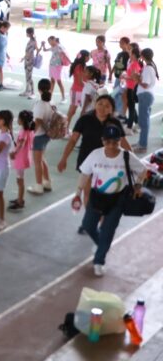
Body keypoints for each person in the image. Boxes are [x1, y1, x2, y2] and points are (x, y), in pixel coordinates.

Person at [73, 124, 146, 277]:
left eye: (115, 142)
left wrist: (138, 186)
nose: (111, 145)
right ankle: (101, 244)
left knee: (108, 230)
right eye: (108, 142)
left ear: (120, 141)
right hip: (96, 197)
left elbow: (143, 170)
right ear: (102, 140)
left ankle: (99, 261)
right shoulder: (95, 155)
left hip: (117, 199)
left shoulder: (126, 156)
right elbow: (84, 174)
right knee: (88, 225)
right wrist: (78, 193)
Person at [58, 94, 131, 235]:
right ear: (95, 104)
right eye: (100, 103)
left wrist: (132, 159)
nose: (103, 107)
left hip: (108, 165)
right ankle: (90, 222)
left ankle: (103, 222)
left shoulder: (114, 123)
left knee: (104, 194)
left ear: (111, 110)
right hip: (87, 162)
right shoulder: (85, 119)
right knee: (88, 194)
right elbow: (73, 140)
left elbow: (123, 142)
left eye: (107, 106)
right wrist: (64, 158)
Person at [29, 79, 55, 195]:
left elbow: (38, 120)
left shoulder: (40, 104)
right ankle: (47, 182)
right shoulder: (51, 103)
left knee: (37, 162)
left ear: (39, 89)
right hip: (46, 135)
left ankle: (39, 185)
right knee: (42, 158)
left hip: (39, 135)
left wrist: (31, 134)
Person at [8, 110, 35, 212]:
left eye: (19, 118)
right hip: (24, 156)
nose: (17, 120)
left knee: (20, 180)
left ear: (22, 120)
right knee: (19, 180)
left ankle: (20, 201)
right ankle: (19, 198)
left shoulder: (24, 131)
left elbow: (21, 144)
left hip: (21, 158)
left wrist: (14, 152)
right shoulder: (29, 130)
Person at [133, 48, 158, 153]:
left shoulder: (148, 68)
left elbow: (145, 84)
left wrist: (136, 79)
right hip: (147, 96)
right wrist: (139, 77)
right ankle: (141, 142)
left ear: (143, 56)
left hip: (145, 96)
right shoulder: (150, 66)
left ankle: (143, 145)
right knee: (144, 121)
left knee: (143, 122)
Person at [66, 50, 90, 130]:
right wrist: (89, 85)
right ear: (85, 57)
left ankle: (67, 129)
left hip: (80, 91)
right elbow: (80, 82)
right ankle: (65, 130)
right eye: (88, 56)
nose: (89, 58)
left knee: (76, 111)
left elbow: (83, 80)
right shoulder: (79, 66)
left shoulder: (82, 66)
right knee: (72, 111)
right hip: (76, 91)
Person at [42, 36, 68, 103]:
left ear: (54, 40)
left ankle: (63, 98)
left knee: (59, 82)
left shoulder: (59, 46)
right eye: (48, 42)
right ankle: (49, 97)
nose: (49, 43)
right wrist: (43, 45)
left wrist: (70, 62)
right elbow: (45, 50)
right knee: (52, 81)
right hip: (52, 65)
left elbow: (65, 54)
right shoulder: (53, 47)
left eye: (50, 41)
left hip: (58, 66)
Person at [124, 45, 142, 132]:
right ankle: (137, 123)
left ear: (134, 55)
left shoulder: (135, 64)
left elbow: (134, 77)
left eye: (130, 53)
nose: (129, 54)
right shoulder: (133, 63)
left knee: (131, 107)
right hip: (130, 87)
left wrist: (124, 77)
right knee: (131, 106)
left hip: (131, 88)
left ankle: (129, 127)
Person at [111, 37, 130, 116]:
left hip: (124, 79)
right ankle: (115, 110)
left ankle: (121, 113)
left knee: (121, 95)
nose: (120, 44)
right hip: (117, 77)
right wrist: (111, 73)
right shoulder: (119, 54)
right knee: (115, 94)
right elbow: (116, 64)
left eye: (122, 43)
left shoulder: (129, 55)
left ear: (127, 44)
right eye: (120, 43)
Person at [20, 27, 40, 98]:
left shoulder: (34, 41)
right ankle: (27, 91)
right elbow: (28, 51)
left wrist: (41, 47)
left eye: (27, 33)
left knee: (29, 76)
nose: (26, 34)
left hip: (30, 60)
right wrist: (23, 58)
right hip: (27, 60)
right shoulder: (30, 41)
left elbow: (37, 50)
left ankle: (32, 92)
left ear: (29, 33)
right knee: (27, 76)